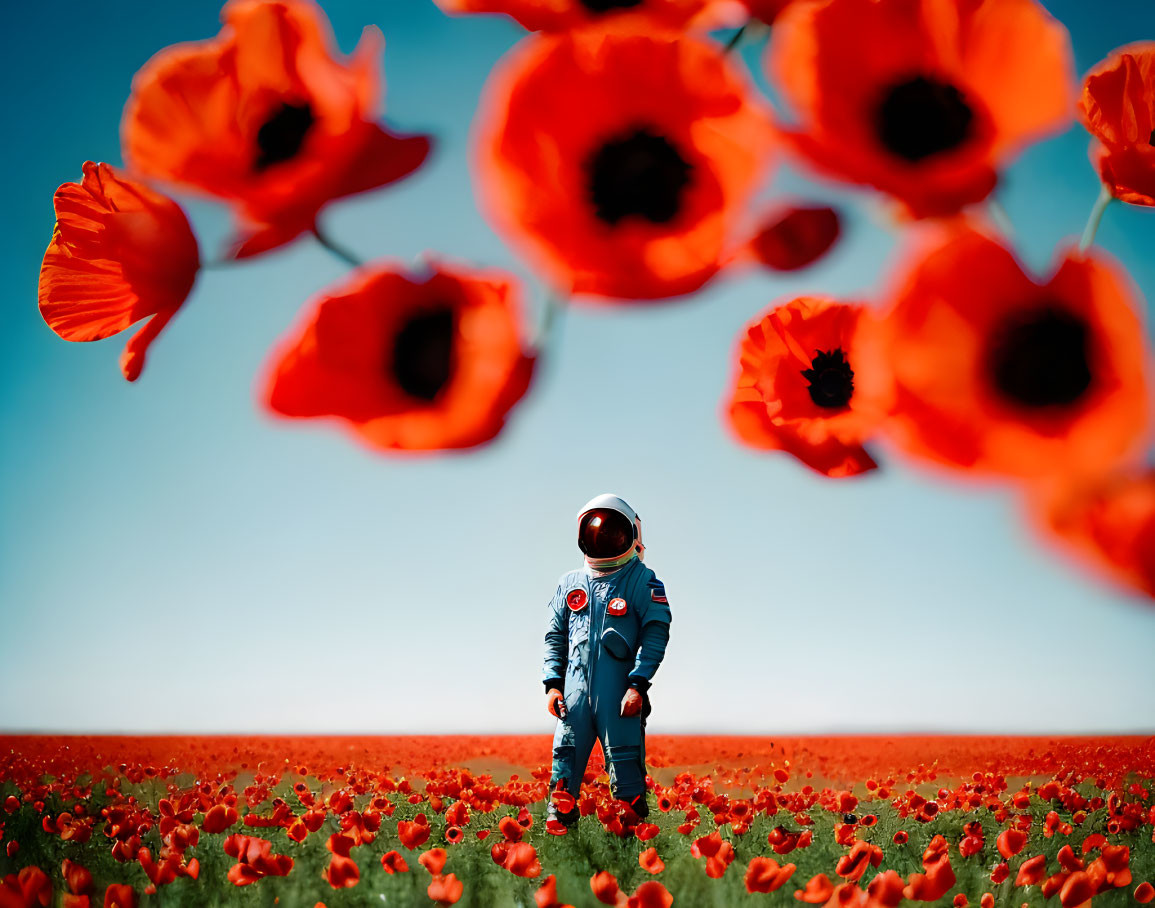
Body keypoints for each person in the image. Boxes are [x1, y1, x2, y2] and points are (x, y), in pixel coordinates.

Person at [542, 493, 672, 826]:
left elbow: (656, 633)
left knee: (624, 757)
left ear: (633, 535)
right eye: (595, 529)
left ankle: (630, 828)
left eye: (612, 531)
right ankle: (561, 825)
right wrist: (553, 685)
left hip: (619, 692)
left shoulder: (642, 580)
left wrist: (638, 684)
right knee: (565, 756)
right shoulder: (569, 583)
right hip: (574, 691)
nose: (603, 537)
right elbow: (555, 636)